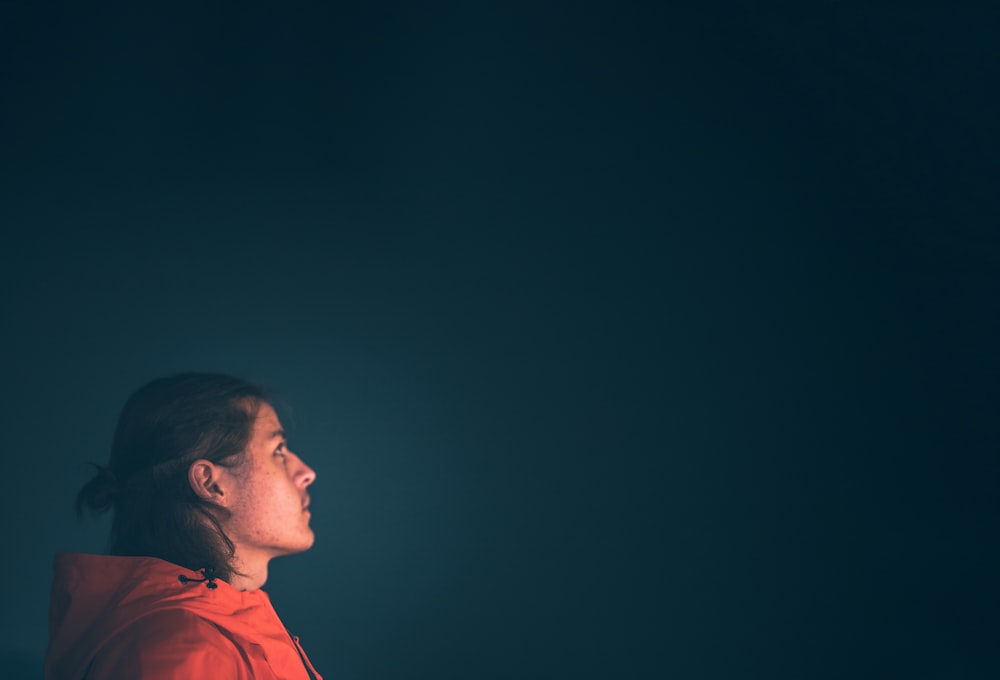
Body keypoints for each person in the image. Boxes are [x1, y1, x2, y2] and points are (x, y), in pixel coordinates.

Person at [44, 373, 323, 679]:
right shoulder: (186, 650)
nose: (307, 473)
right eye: (279, 450)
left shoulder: (213, 629)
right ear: (211, 483)